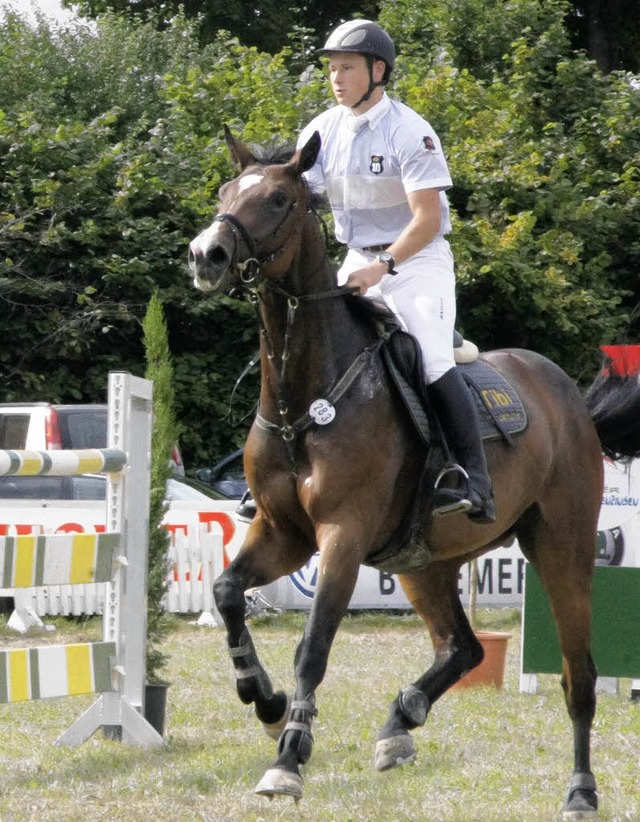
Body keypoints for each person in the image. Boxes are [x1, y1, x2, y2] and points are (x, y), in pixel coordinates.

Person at [297, 19, 495, 523]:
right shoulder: (320, 130)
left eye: (346, 67)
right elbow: (300, 199)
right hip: (357, 257)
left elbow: (427, 220)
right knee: (307, 349)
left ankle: (474, 478)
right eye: (332, 68)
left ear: (377, 70)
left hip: (416, 261)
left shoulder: (411, 130)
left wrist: (382, 268)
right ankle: (285, 466)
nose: (335, 78)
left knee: (429, 357)